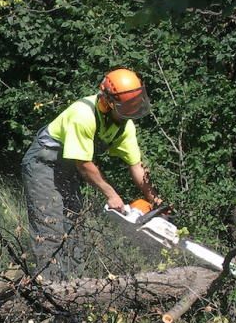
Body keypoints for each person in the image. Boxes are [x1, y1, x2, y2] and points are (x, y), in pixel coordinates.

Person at [21, 68, 162, 280]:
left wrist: (157, 201)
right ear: (109, 101)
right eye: (127, 107)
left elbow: (136, 166)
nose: (131, 112)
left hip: (68, 172)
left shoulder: (125, 125)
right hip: (44, 165)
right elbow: (84, 163)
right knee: (50, 232)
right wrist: (111, 194)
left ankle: (75, 289)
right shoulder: (83, 115)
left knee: (74, 231)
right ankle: (49, 294)